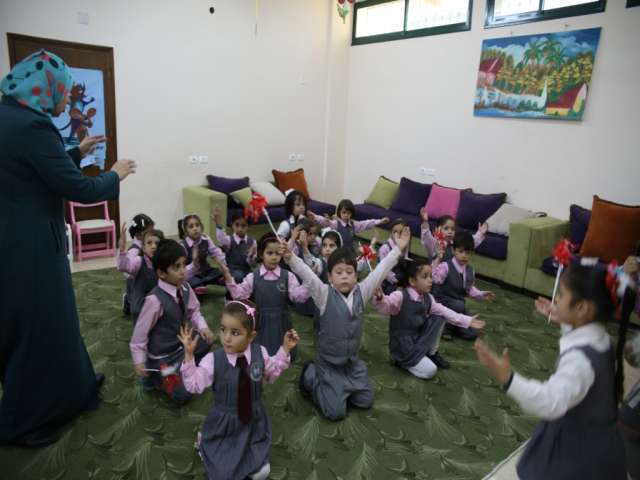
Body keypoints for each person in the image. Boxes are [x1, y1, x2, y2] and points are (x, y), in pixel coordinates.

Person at [0, 49, 136, 446]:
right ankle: (28, 419)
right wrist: (114, 174)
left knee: (49, 323)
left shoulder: (10, 116)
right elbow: (75, 187)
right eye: (64, 90)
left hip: (12, 242)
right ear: (47, 88)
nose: (66, 98)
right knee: (42, 328)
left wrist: (76, 151)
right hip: (31, 248)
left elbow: (34, 169)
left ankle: (72, 390)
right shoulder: (32, 127)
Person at [475, 260, 632, 479]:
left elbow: (551, 402)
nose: (555, 298)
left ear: (582, 308)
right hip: (598, 440)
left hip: (576, 453)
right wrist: (562, 316)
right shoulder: (601, 338)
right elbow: (580, 331)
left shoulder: (579, 361)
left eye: (561, 295)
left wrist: (508, 378)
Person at [284, 227, 411, 421]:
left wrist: (398, 250)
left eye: (349, 272)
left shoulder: (363, 291)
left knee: (366, 401)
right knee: (335, 413)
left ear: (356, 275)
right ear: (329, 276)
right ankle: (312, 376)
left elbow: (380, 271)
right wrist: (291, 257)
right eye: (339, 272)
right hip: (329, 365)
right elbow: (307, 275)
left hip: (351, 365)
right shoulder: (324, 294)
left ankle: (341, 389)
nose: (344, 276)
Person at [179, 300, 298, 480]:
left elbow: (272, 373)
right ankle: (205, 443)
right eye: (223, 329)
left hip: (253, 422)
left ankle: (240, 458)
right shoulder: (213, 360)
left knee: (262, 470)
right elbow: (194, 385)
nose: (226, 338)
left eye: (235, 333)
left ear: (251, 336)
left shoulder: (260, 353)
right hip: (223, 425)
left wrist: (284, 349)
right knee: (223, 475)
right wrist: (189, 356)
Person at [129, 239, 214, 405]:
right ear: (161, 273)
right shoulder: (154, 300)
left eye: (184, 265)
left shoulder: (185, 287)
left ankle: (183, 367)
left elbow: (194, 311)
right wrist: (139, 360)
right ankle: (156, 378)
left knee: (206, 340)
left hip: (181, 346)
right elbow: (139, 336)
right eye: (177, 267)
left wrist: (203, 327)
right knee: (183, 395)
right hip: (163, 358)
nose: (183, 271)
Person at [373, 257, 486, 376]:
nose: (430, 280)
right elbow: (386, 305)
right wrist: (381, 298)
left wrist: (468, 321)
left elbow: (446, 312)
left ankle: (431, 354)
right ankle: (401, 360)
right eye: (425, 277)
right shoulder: (400, 296)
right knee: (431, 370)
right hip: (403, 345)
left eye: (431, 276)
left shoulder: (428, 298)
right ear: (412, 281)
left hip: (417, 338)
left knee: (440, 316)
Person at [221, 233, 309, 360]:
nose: (274, 257)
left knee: (284, 352)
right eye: (270, 253)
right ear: (261, 254)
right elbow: (239, 295)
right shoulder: (253, 277)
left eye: (277, 253)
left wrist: (308, 283)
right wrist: (228, 277)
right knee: (261, 355)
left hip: (282, 322)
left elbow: (297, 296)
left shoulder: (287, 276)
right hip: (262, 322)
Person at [432, 230, 495, 340]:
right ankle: (445, 327)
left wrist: (482, 294)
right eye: (461, 252)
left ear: (472, 253)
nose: (464, 256)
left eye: (468, 253)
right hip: (442, 302)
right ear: (454, 251)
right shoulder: (446, 266)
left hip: (458, 304)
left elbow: (469, 289)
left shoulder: (470, 270)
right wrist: (437, 261)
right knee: (459, 306)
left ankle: (455, 325)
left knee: (472, 333)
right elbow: (435, 280)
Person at [116, 224, 164, 322]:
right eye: (149, 243)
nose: (154, 246)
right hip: (141, 298)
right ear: (143, 247)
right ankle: (128, 300)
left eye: (157, 243)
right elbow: (124, 267)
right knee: (140, 313)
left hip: (156, 295)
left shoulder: (163, 262)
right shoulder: (139, 261)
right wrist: (121, 249)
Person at [309, 199, 388, 252]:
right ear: (339, 213)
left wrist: (380, 221)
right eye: (344, 212)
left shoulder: (354, 225)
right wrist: (315, 216)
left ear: (351, 214)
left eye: (348, 213)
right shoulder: (336, 224)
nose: (346, 215)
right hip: (337, 252)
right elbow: (324, 221)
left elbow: (366, 223)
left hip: (350, 253)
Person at [420, 208, 487, 262]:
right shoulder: (434, 243)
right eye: (446, 228)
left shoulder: (456, 242)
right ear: (438, 229)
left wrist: (480, 233)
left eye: (452, 229)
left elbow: (470, 241)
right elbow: (426, 237)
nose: (450, 231)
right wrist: (425, 222)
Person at [120, 213, 155, 314]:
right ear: (138, 234)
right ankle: (128, 300)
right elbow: (126, 270)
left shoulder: (150, 244)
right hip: (137, 282)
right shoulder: (134, 251)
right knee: (138, 309)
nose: (152, 234)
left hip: (148, 278)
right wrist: (135, 273)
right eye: (148, 232)